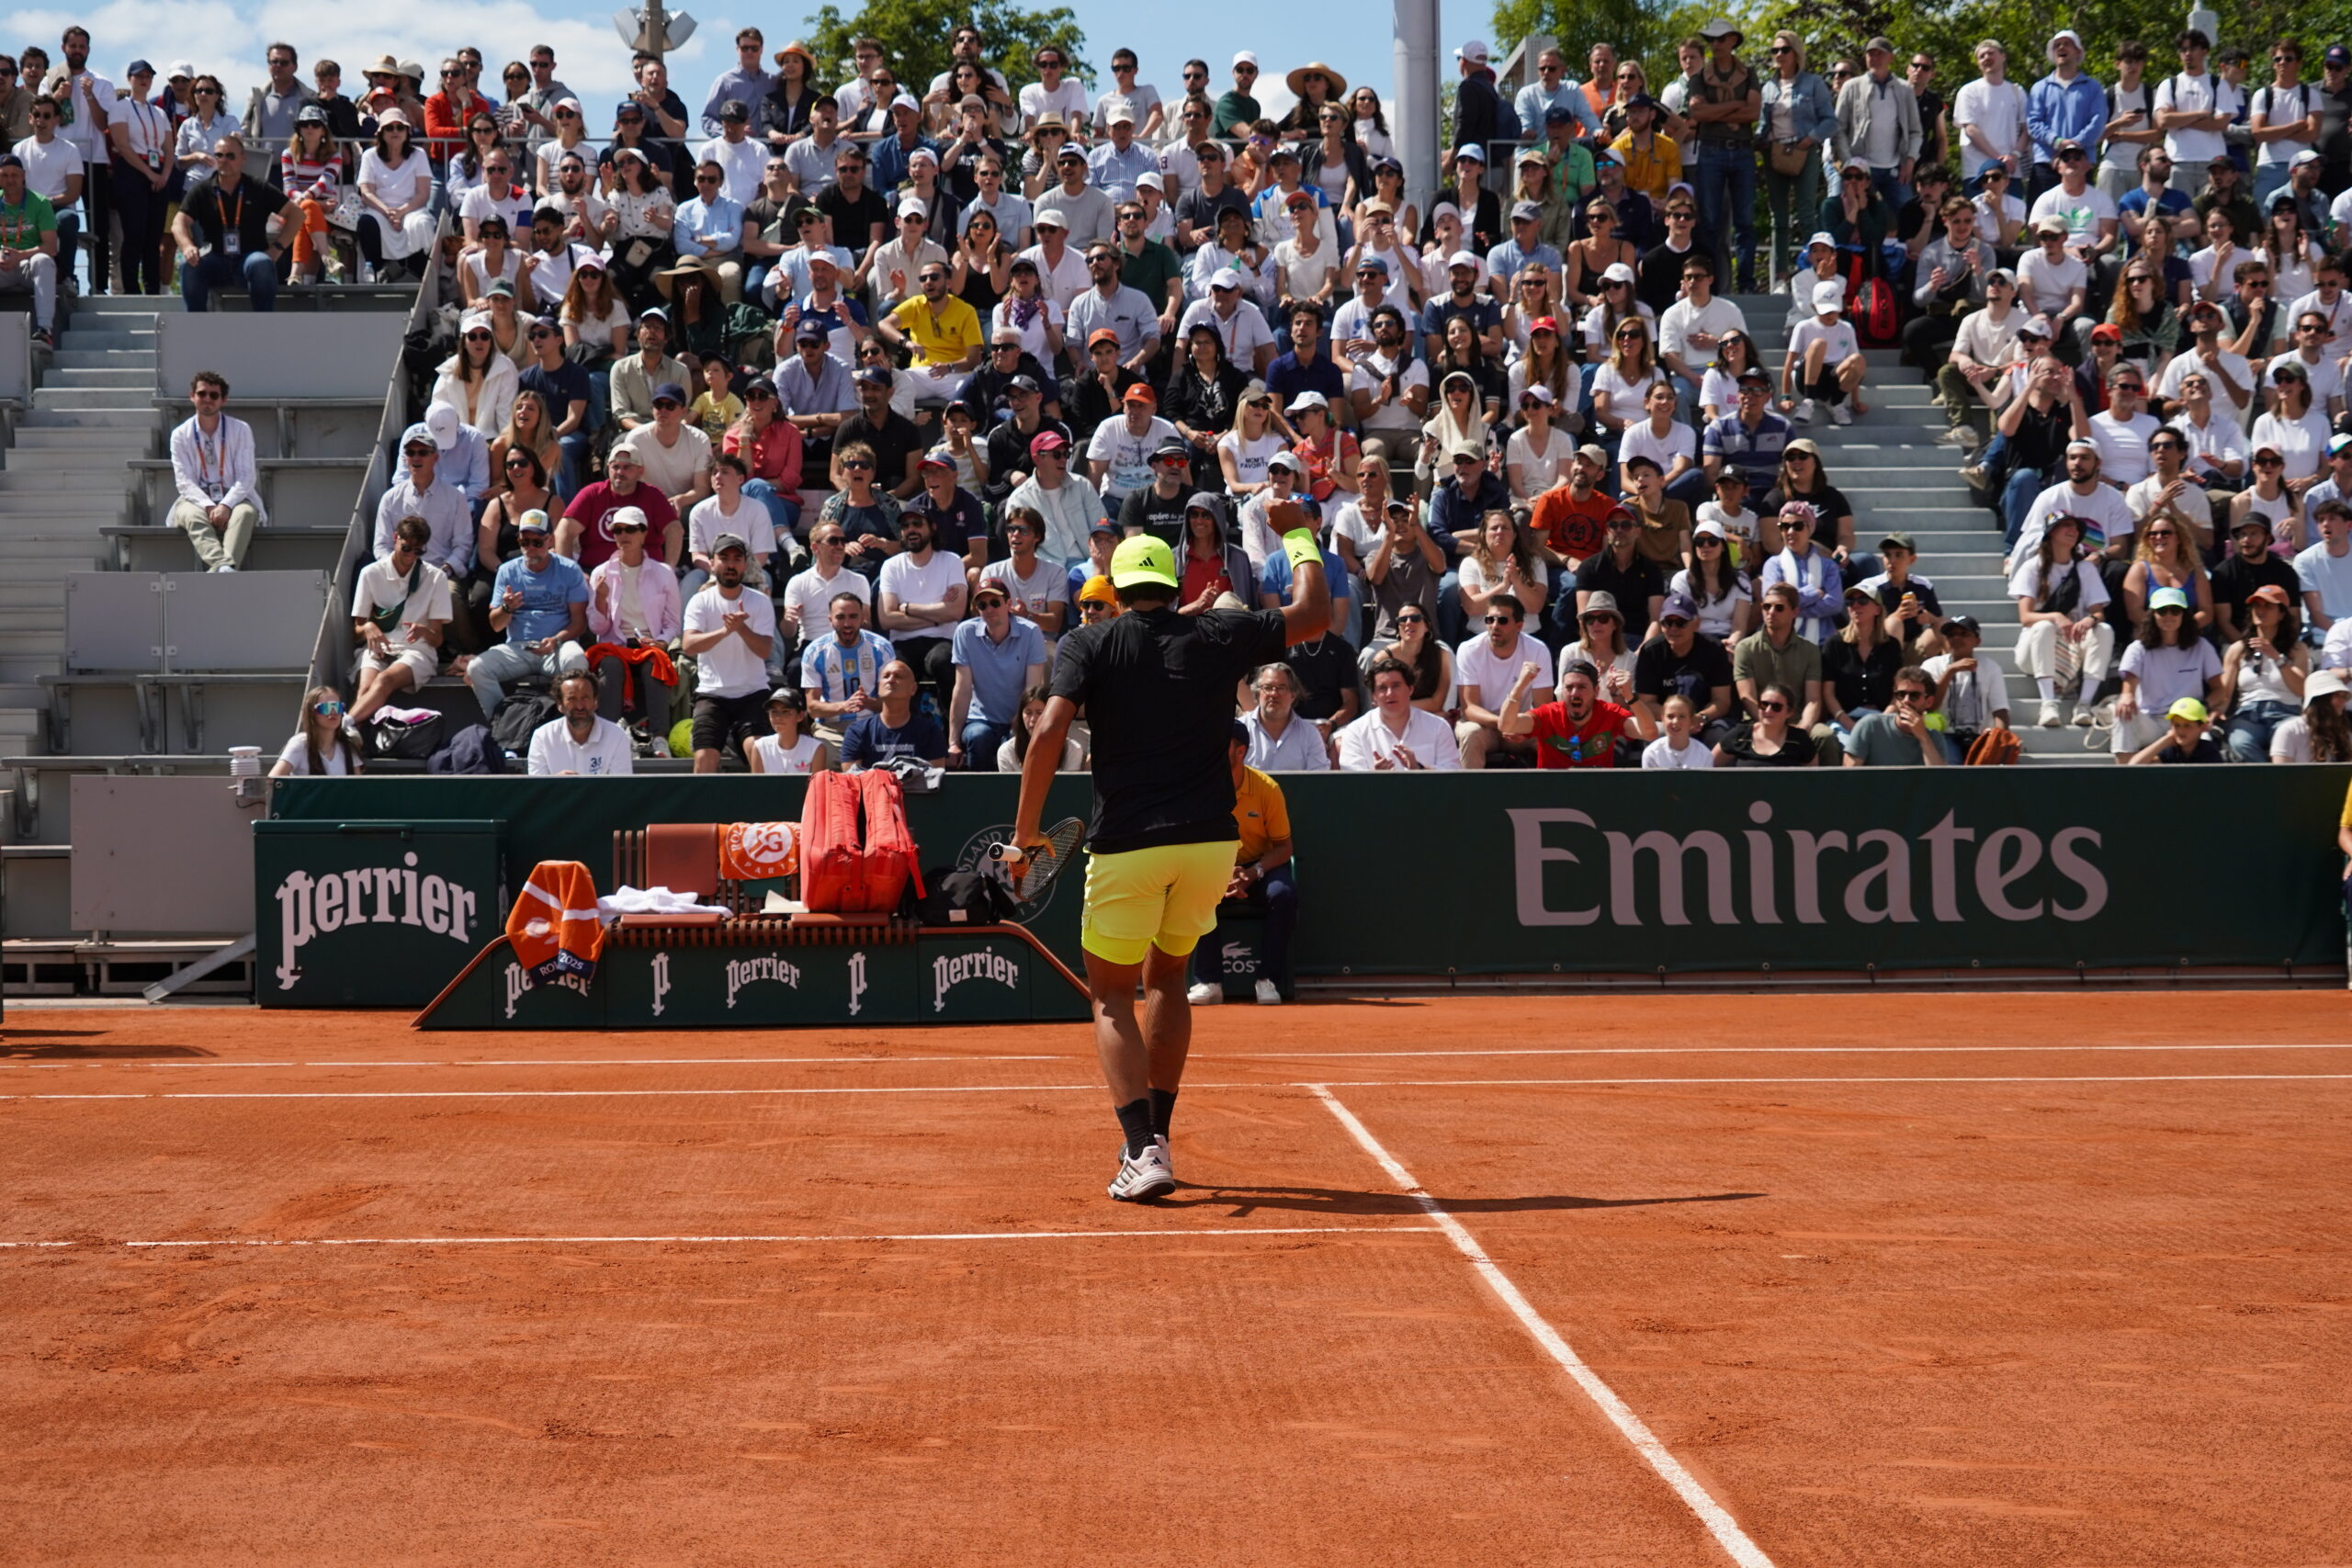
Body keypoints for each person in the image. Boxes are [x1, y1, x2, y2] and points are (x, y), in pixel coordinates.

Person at [1005, 523, 1326, 1200]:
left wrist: (1025, 834)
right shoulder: (1217, 633)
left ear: (1118, 592)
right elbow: (1315, 613)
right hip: (1211, 844)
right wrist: (1297, 535)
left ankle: (1140, 1149)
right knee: (1169, 979)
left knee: (1112, 995)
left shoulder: (1089, 640)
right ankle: (1159, 1136)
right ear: (1175, 586)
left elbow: (1049, 730)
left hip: (1129, 844)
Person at [1184, 722, 1295, 1008]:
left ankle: (1268, 980)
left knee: (1283, 894)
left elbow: (1284, 848)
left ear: (1240, 752)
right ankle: (1209, 981)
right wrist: (1223, 873)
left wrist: (1252, 873)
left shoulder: (1267, 789)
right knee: (1197, 890)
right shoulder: (1200, 788)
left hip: (1261, 868)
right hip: (1214, 864)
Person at [468, 512, 589, 719]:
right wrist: (507, 608)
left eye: (537, 542)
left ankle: (568, 723)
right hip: (519, 648)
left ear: (550, 540)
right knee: (477, 668)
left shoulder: (569, 569)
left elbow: (579, 623)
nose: (530, 548)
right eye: (525, 542)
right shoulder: (507, 571)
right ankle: (503, 724)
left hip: (557, 647)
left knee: (577, 659)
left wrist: (556, 640)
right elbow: (496, 625)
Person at [678, 535, 777, 771]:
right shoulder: (700, 601)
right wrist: (725, 631)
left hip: (753, 693)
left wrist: (741, 629)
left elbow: (764, 651)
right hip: (711, 695)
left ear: (745, 565)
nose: (730, 565)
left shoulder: (760, 601)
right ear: (712, 563)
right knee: (704, 759)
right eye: (724, 558)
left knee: (759, 753)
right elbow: (689, 645)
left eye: (737, 559)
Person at [583, 509, 682, 739]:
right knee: (610, 665)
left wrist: (662, 642)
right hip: (615, 646)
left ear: (643, 533)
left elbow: (673, 623)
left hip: (650, 646)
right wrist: (600, 599)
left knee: (655, 663)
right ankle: (607, 737)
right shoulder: (601, 573)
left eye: (630, 529)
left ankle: (660, 737)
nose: (623, 535)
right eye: (617, 530)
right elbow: (597, 628)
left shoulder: (664, 573)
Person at [347, 515, 453, 725]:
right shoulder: (370, 573)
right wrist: (368, 627)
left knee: (384, 680)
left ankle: (342, 729)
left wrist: (423, 631)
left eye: (418, 551)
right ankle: (350, 736)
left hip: (417, 651)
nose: (411, 555)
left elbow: (437, 639)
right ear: (395, 538)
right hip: (378, 648)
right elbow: (356, 631)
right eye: (406, 548)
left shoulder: (436, 577)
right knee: (365, 688)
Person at [2012, 512, 2115, 727]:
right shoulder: (2032, 567)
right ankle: (2048, 703)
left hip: (2072, 647)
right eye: (2065, 525)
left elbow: (2098, 612)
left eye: (2075, 527)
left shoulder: (2085, 569)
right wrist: (2055, 616)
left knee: (2104, 630)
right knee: (2044, 627)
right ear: (2051, 533)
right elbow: (2025, 617)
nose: (2073, 530)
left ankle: (2084, 704)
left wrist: (2090, 620)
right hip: (2034, 651)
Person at [171, 134, 284, 311]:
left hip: (249, 258)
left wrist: (278, 247)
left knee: (262, 262)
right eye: (219, 155)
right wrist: (187, 246)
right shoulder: (202, 190)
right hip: (214, 258)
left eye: (230, 156)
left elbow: (296, 215)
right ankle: (196, 322)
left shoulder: (258, 187)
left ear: (243, 158)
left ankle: (264, 321)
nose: (224, 160)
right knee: (189, 265)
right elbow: (178, 223)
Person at [2111, 585, 2226, 757]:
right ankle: (2124, 770)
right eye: (2162, 611)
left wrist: (2203, 707)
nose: (2169, 616)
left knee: (2207, 744)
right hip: (2151, 721)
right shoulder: (2138, 648)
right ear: (2153, 615)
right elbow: (2128, 688)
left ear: (2184, 615)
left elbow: (2219, 690)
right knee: (2123, 712)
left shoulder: (2202, 646)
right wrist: (2127, 697)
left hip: (2187, 722)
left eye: (2175, 611)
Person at [166, 370, 263, 573]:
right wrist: (209, 505)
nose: (207, 399)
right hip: (195, 499)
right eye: (202, 393)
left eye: (214, 395)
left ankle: (218, 573)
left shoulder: (240, 429)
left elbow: (246, 477)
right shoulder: (180, 435)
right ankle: (223, 567)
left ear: (223, 400)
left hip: (235, 498)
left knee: (245, 513)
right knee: (191, 515)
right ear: (192, 396)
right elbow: (184, 481)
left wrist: (226, 504)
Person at [948, 579, 1047, 769]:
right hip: (980, 720)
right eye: (982, 605)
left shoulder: (1031, 632)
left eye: (995, 603)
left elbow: (1032, 691)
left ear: (1008, 604)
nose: (989, 609)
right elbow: (962, 690)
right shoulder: (964, 632)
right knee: (979, 736)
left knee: (1014, 743)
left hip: (1018, 720)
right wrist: (953, 743)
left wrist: (1019, 727)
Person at [1498, 657, 1652, 767]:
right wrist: (1520, 685)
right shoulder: (1549, 714)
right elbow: (1507, 725)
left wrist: (1629, 696)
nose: (1574, 693)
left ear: (1596, 691)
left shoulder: (1609, 714)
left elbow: (1649, 732)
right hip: (1552, 793)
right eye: (1569, 687)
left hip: (1597, 793)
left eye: (1582, 687)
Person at [2219, 584, 2311, 760]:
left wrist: (2277, 657)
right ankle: (2272, 776)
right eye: (2257, 606)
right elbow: (2224, 693)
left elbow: (2300, 690)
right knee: (2240, 742)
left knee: (2286, 740)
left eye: (2268, 606)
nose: (2261, 611)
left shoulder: (2297, 649)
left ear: (2281, 614)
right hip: (2248, 713)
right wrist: (2217, 711)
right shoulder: (2237, 649)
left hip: (2286, 712)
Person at [1339, 653, 1462, 770]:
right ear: (1374, 696)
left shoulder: (1438, 727)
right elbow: (1351, 779)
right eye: (1382, 688)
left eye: (1396, 686)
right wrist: (1373, 777)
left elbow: (1452, 774)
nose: (1390, 693)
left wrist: (1419, 769)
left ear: (1410, 689)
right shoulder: (1356, 731)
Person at [1920, 615, 2011, 761]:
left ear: (1977, 641)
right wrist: (1950, 671)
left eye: (1964, 634)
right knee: (1952, 769)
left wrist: (1999, 740)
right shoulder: (1931, 666)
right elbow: (1930, 706)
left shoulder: (1991, 667)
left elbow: (2000, 710)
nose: (1956, 638)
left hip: (1981, 736)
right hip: (1943, 735)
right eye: (1951, 635)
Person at [526, 670, 635, 776]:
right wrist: (556, 782)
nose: (579, 706)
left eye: (585, 698)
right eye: (571, 699)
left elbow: (621, 786)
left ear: (595, 702)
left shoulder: (617, 736)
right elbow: (536, 786)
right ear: (560, 704)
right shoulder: (543, 737)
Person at [1841, 666, 1944, 765]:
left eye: (1914, 695)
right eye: (1901, 694)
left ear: (1929, 702)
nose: (1906, 700)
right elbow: (1849, 773)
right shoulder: (1870, 726)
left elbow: (1939, 776)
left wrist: (1923, 738)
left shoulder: (1934, 738)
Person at [271, 686, 361, 778]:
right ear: (311, 712)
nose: (333, 712)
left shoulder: (348, 746)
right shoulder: (300, 743)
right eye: (326, 708)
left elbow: (358, 784)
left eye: (337, 707)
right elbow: (273, 779)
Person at [749, 686, 831, 773]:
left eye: (785, 711)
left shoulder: (816, 748)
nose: (778, 717)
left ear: (800, 716)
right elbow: (758, 781)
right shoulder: (759, 747)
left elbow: (816, 781)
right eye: (774, 712)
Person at [2124, 695, 2224, 762]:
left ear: (2202, 727)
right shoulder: (2170, 750)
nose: (2180, 730)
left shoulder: (2209, 750)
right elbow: (2134, 765)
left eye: (2187, 725)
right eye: (2176, 725)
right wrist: (2165, 740)